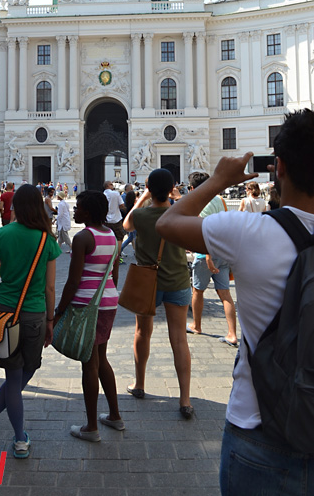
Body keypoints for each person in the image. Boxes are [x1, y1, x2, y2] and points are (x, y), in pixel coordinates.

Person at [155, 109, 314, 495]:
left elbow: (168, 223)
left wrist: (217, 180)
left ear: (278, 167)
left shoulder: (250, 232)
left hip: (259, 432)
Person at [0, 184, 60, 458]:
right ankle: (19, 439)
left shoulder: (1, 234)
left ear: (14, 207)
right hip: (34, 314)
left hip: (3, 313)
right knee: (25, 372)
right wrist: (51, 320)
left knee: (14, 374)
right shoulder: (47, 240)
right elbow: (50, 289)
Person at [123, 168, 193, 419]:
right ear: (172, 187)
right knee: (179, 339)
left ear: (150, 188)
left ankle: (139, 383)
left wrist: (142, 197)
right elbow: (192, 209)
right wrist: (176, 195)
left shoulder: (141, 215)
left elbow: (126, 224)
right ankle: (185, 399)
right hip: (178, 281)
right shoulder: (180, 212)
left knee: (143, 332)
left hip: (147, 283)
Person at [54, 190, 124, 442]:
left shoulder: (84, 237)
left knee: (89, 363)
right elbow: (114, 276)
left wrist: (59, 310)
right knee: (101, 358)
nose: (75, 210)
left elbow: (73, 281)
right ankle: (114, 416)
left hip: (86, 304)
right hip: (108, 301)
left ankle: (92, 426)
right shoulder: (112, 236)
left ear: (89, 212)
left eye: (79, 207)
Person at [185, 172, 238, 347]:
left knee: (197, 291)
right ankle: (232, 334)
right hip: (223, 252)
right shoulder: (219, 200)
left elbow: (206, 229)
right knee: (225, 294)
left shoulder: (199, 203)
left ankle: (196, 325)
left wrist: (208, 256)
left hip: (206, 253)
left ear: (192, 188)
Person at [103, 180, 125, 275]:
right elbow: (121, 205)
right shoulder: (115, 194)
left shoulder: (102, 195)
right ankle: (117, 257)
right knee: (119, 237)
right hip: (116, 219)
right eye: (112, 184)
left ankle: (106, 257)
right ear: (109, 185)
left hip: (106, 220)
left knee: (107, 238)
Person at [120, 190, 137, 256]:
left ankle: (120, 249)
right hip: (134, 223)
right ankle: (137, 252)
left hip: (129, 223)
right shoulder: (133, 205)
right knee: (134, 238)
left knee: (130, 238)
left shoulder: (127, 204)